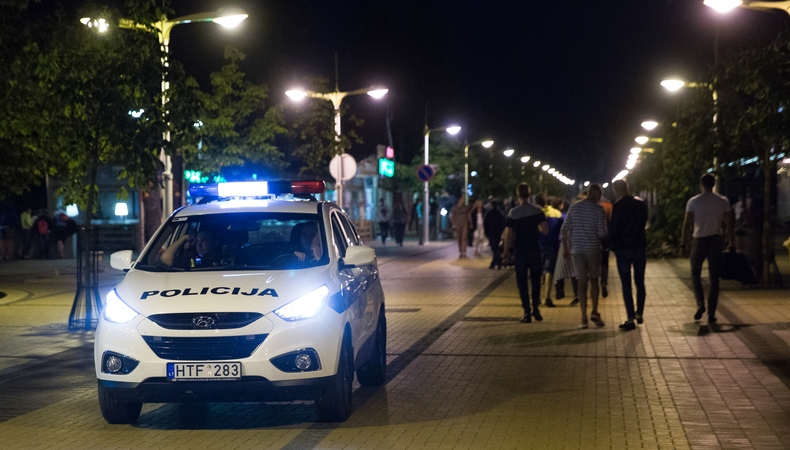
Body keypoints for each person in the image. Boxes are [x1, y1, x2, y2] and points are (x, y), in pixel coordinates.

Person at [680, 173, 736, 324]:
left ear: (701, 184)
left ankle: (700, 304)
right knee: (714, 278)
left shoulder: (693, 202)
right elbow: (729, 224)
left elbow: (686, 225)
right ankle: (711, 312)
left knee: (695, 273)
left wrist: (683, 244)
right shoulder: (723, 201)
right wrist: (732, 242)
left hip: (699, 240)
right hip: (715, 240)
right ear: (713, 184)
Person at [561, 184, 608, 329]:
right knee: (594, 281)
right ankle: (594, 311)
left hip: (577, 250)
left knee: (581, 283)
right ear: (598, 195)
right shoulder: (599, 209)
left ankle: (583, 318)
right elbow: (601, 233)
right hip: (593, 249)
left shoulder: (574, 207)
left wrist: (566, 249)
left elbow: (564, 229)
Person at [502, 183, 548, 323]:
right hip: (534, 248)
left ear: (518, 195)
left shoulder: (513, 213)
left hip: (520, 249)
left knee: (521, 280)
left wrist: (506, 252)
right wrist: (535, 228)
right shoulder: (537, 210)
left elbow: (509, 234)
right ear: (529, 194)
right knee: (535, 279)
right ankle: (536, 309)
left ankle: (526, 312)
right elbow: (545, 229)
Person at [610, 180, 648, 331]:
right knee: (640, 281)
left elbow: (615, 228)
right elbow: (645, 221)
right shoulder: (641, 204)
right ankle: (640, 313)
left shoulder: (618, 206)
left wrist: (613, 247)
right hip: (639, 246)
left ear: (616, 190)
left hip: (623, 249)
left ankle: (630, 318)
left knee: (626, 285)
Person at [535, 194, 562, 307]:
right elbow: (561, 229)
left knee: (537, 271)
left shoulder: (534, 213)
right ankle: (547, 297)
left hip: (537, 245)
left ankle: (537, 297)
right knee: (549, 272)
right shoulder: (556, 213)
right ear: (546, 202)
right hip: (552, 244)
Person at [598, 194, 613, 298]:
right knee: (604, 261)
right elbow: (612, 222)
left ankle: (593, 281)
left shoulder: (592, 206)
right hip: (605, 237)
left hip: (593, 238)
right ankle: (604, 282)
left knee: (592, 261)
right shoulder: (608, 205)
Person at [484, 200, 506, 269]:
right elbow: (503, 223)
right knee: (495, 247)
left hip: (492, 233)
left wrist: (486, 232)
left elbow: (485, 223)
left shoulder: (489, 213)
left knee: (495, 248)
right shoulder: (499, 213)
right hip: (497, 233)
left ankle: (497, 262)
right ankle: (494, 263)